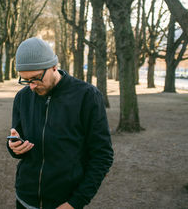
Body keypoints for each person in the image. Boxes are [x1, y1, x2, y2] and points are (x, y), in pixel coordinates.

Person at [7, 37, 114, 209]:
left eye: (35, 78)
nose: (31, 86)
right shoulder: (22, 97)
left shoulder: (87, 96)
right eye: (25, 80)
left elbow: (102, 156)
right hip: (25, 198)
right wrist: (13, 146)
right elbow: (17, 139)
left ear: (54, 67)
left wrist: (75, 202)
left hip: (65, 201)